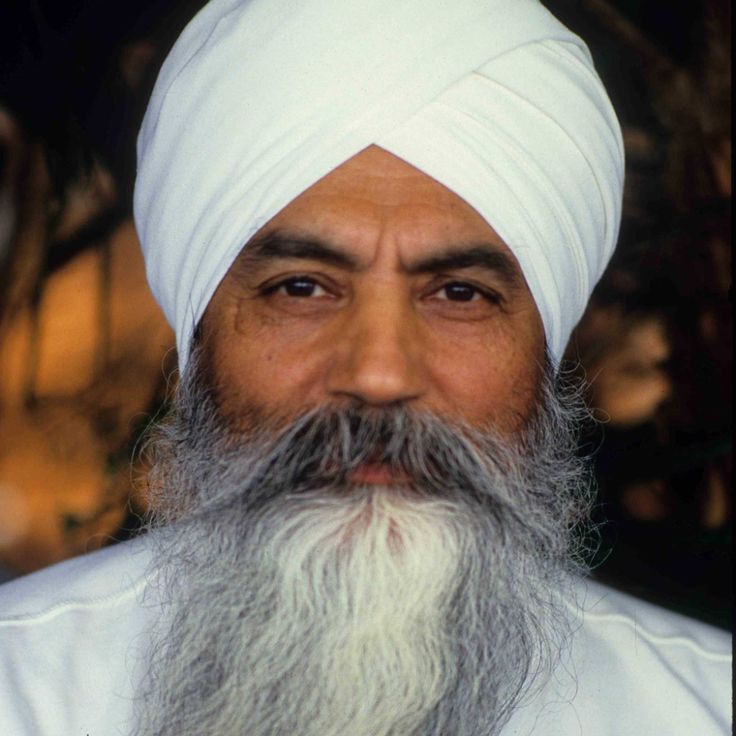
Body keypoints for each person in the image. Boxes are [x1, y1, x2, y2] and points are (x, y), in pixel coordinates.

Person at [0, 1, 730, 734]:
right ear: (198, 340)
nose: (379, 375)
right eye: (302, 288)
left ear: (547, 354)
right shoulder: (23, 689)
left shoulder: (702, 708)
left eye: (458, 294)